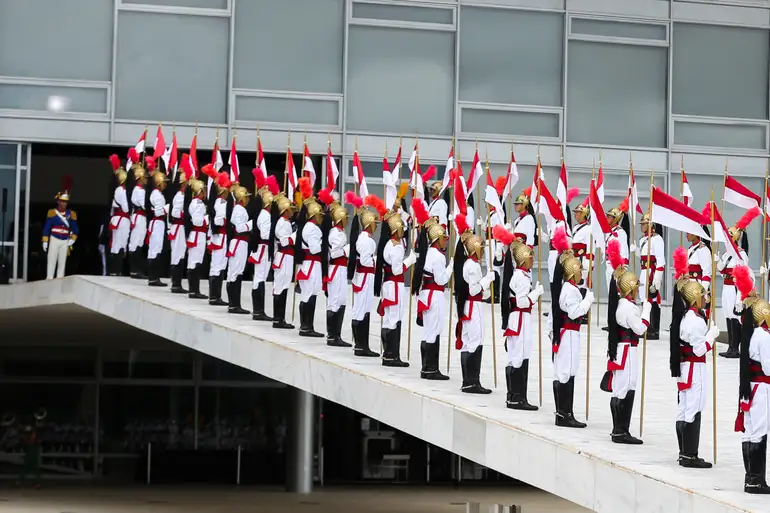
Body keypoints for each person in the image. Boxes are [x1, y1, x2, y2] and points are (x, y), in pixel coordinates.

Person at [670, 246, 718, 469]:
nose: (706, 298)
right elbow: (700, 349)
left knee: (685, 408)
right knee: (694, 408)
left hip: (685, 367)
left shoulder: (686, 317)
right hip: (694, 367)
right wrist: (712, 336)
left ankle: (684, 453)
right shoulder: (696, 321)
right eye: (703, 295)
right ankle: (690, 454)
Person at [603, 238, 649, 444]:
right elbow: (640, 329)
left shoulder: (621, 304)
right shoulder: (629, 308)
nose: (638, 290)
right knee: (627, 388)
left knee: (620, 389)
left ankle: (618, 429)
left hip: (621, 349)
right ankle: (621, 430)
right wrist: (647, 312)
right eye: (636, 288)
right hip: (627, 350)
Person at [733, 265, 770, 494]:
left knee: (750, 431)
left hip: (751, 388)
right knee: (759, 430)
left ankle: (751, 477)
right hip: (761, 388)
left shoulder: (751, 335)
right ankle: (756, 479)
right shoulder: (763, 337)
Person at [551, 234, 594, 428]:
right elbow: (575, 312)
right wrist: (588, 300)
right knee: (567, 372)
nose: (582, 274)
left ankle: (564, 412)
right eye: (580, 271)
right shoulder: (570, 290)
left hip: (569, 333)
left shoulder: (569, 288)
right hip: (569, 333)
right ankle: (564, 414)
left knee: (566, 371)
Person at [454, 214, 494, 394]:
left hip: (470, 305)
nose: (483, 251)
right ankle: (472, 381)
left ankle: (468, 381)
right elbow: (473, 289)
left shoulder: (470, 264)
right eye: (482, 248)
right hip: (473, 306)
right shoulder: (473, 265)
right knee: (475, 341)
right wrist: (487, 280)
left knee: (468, 342)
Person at [412, 203, 452, 380]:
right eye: (444, 237)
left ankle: (426, 368)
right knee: (434, 331)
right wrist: (451, 267)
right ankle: (431, 369)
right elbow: (441, 279)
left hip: (426, 295)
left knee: (428, 331)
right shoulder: (438, 256)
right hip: (434, 295)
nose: (445, 240)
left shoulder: (429, 252)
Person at [502, 237, 542, 410]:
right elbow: (522, 302)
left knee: (514, 357)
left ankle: (513, 396)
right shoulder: (523, 277)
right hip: (520, 318)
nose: (532, 260)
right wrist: (536, 294)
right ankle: (518, 398)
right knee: (520, 356)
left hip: (516, 318)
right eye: (530, 257)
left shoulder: (519, 275)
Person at [376, 207, 416, 367]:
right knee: (394, 318)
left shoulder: (387, 244)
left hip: (387, 284)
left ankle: (388, 354)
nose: (403, 232)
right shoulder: (397, 247)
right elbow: (397, 269)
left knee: (388, 319)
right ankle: (392, 356)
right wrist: (410, 260)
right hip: (395, 284)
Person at [720, 209, 758, 358]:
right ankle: (730, 346)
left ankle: (735, 347)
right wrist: (719, 260)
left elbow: (743, 273)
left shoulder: (740, 253)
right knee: (728, 315)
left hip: (735, 288)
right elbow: (723, 270)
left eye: (729, 237)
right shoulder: (726, 253)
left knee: (735, 316)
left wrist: (740, 297)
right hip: (726, 287)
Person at [347, 193, 380, 358]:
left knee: (361, 309)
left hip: (362, 277)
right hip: (365, 277)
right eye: (374, 223)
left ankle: (361, 345)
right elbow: (366, 261)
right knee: (363, 309)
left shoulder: (363, 237)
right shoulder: (367, 240)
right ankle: (361, 345)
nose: (376, 226)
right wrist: (376, 260)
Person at [322, 195, 352, 347]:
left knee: (339, 300)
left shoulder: (338, 232)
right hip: (336, 269)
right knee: (336, 301)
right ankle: (333, 336)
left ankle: (335, 335)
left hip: (340, 269)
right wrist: (346, 251)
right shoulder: (336, 233)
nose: (347, 220)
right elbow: (334, 253)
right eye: (345, 218)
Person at [249, 173, 279, 322]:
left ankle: (259, 310)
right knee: (260, 278)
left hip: (264, 248)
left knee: (260, 278)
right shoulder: (265, 215)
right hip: (264, 248)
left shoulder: (263, 214)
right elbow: (267, 235)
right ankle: (258, 310)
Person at [295, 192, 325, 338]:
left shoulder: (308, 227)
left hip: (309, 264)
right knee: (309, 294)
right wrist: (324, 244)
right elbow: (315, 249)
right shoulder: (312, 229)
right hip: (311, 264)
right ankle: (306, 326)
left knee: (309, 294)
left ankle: (307, 326)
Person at [42, 177, 78, 280]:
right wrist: (45, 240)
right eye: (62, 201)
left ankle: (60, 280)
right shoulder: (52, 213)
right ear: (58, 201)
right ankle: (49, 279)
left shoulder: (71, 214)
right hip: (54, 238)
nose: (64, 203)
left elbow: (75, 228)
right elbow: (47, 228)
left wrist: (73, 239)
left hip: (65, 240)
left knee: (62, 263)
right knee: (51, 261)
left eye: (65, 202)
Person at [271, 193, 297, 329]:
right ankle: (278, 318)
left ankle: (280, 318)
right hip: (283, 256)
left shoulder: (285, 222)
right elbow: (285, 241)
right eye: (290, 209)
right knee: (281, 286)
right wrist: (295, 235)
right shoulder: (282, 223)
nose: (292, 211)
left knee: (284, 285)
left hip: (287, 257)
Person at [226, 182, 253, 315]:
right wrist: (251, 224)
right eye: (246, 197)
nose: (248, 199)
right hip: (240, 242)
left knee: (234, 272)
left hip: (237, 243)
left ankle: (233, 303)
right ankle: (235, 304)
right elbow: (240, 228)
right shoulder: (240, 210)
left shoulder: (236, 209)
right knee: (237, 272)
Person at [638, 214, 665, 340]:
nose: (642, 226)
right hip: (643, 270)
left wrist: (656, 281)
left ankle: (654, 330)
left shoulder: (657, 239)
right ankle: (646, 327)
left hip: (652, 272)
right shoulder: (643, 240)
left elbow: (660, 261)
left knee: (653, 300)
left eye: (644, 224)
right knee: (643, 298)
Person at [208, 172, 231, 306]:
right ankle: (214, 296)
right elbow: (218, 220)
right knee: (217, 266)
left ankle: (216, 295)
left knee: (219, 266)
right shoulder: (221, 203)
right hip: (220, 237)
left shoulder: (220, 202)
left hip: (221, 237)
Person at [185, 174, 208, 300]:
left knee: (193, 262)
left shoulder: (195, 203)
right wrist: (207, 219)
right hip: (198, 234)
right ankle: (194, 290)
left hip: (196, 235)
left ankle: (193, 289)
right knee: (196, 262)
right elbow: (198, 221)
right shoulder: (198, 204)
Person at [108, 154, 130, 276]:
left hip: (120, 219)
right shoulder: (120, 191)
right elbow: (126, 208)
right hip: (121, 219)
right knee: (118, 244)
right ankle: (115, 270)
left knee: (120, 243)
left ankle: (117, 270)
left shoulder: (120, 190)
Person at [147, 169, 169, 287]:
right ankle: (154, 277)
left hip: (155, 223)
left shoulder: (155, 194)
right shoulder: (158, 196)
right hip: (158, 223)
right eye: (164, 182)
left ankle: (153, 276)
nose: (165, 184)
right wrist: (167, 209)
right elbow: (160, 212)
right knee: (156, 249)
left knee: (153, 249)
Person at [168, 169, 188, 294]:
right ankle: (176, 283)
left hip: (180, 228)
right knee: (177, 254)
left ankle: (177, 282)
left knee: (180, 254)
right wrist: (186, 215)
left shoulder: (182, 195)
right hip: (179, 228)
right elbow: (175, 212)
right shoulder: (180, 196)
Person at [604, 198, 629, 294]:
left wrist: (623, 269)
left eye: (610, 217)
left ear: (615, 219)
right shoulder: (608, 233)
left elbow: (624, 252)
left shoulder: (620, 232)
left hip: (616, 268)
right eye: (607, 216)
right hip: (608, 266)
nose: (607, 218)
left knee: (617, 294)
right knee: (610, 294)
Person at [128, 163, 148, 279]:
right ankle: (135, 270)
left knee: (137, 242)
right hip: (140, 216)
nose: (146, 180)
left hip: (139, 216)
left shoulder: (139, 189)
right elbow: (144, 205)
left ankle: (135, 269)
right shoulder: (140, 191)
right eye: (144, 177)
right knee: (137, 243)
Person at [686, 229, 712, 318]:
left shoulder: (703, 249)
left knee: (700, 313)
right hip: (690, 285)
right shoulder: (690, 248)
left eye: (688, 232)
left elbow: (707, 272)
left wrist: (703, 291)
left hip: (698, 284)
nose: (687, 234)